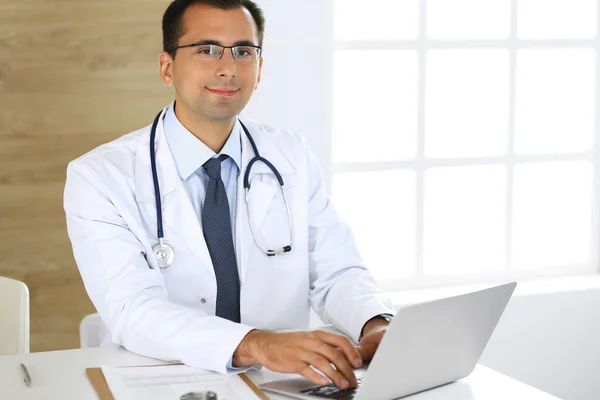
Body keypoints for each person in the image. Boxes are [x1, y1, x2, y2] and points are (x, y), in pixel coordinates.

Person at [64, 0, 395, 390]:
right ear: (167, 68)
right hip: (160, 382)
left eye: (243, 51)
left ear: (259, 70)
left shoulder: (291, 156)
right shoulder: (100, 176)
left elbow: (335, 271)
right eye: (206, 50)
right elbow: (132, 310)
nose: (228, 67)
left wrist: (374, 323)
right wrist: (257, 344)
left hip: (281, 385)